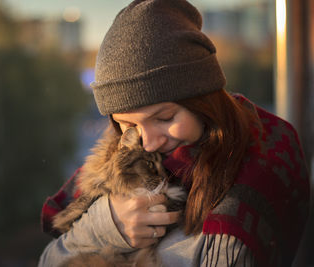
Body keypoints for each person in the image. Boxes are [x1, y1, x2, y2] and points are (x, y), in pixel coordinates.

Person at [38, 0, 310, 266]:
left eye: (165, 117)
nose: (149, 143)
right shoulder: (119, 158)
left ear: (203, 102)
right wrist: (107, 227)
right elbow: (49, 259)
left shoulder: (238, 206)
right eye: (128, 125)